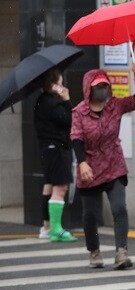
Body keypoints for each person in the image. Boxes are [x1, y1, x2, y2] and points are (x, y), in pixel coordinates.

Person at [71, 64, 135, 269]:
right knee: (91, 215)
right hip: (90, 168)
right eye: (97, 86)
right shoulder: (79, 112)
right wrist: (82, 162)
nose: (102, 89)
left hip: (114, 164)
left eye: (105, 85)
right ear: (88, 88)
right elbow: (76, 138)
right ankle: (94, 251)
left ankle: (122, 252)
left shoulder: (115, 106)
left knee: (119, 208)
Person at [34, 67, 77, 243]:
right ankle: (56, 230)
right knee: (61, 188)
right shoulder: (53, 103)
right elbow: (70, 120)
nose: (62, 83)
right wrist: (67, 99)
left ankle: (46, 227)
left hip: (47, 150)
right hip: (58, 150)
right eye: (59, 81)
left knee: (50, 187)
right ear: (53, 84)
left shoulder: (41, 101)